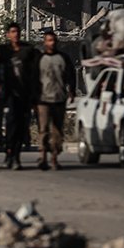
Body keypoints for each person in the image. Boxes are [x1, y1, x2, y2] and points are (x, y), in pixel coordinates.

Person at [30, 31, 77, 171]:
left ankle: (54, 158)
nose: (52, 43)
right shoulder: (39, 59)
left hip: (59, 98)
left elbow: (71, 75)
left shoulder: (63, 58)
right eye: (49, 40)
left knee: (57, 130)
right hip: (43, 99)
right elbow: (33, 79)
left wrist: (72, 90)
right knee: (43, 129)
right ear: (45, 42)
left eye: (54, 40)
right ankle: (42, 156)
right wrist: (33, 98)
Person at [0, 23, 38, 170]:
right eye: (13, 32)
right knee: (10, 126)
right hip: (9, 95)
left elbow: (34, 73)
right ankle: (9, 153)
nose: (16, 34)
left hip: (24, 95)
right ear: (8, 34)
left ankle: (16, 156)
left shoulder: (27, 51)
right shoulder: (3, 51)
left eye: (17, 32)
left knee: (22, 127)